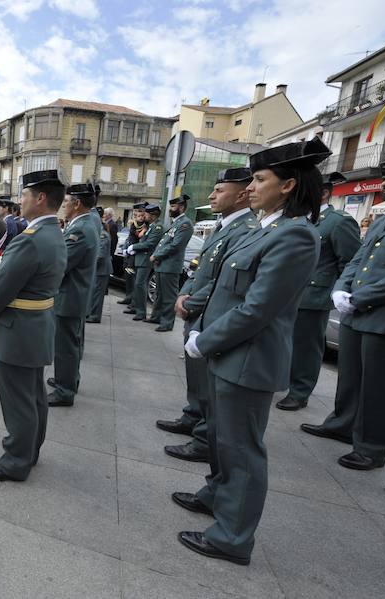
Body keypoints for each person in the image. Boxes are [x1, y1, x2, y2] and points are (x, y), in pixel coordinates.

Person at [175, 138, 324, 566]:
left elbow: (257, 308)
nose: (251, 187)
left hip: (249, 358)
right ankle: (216, 496)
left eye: (260, 180)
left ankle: (232, 537)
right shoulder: (265, 229)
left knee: (242, 450)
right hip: (229, 355)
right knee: (222, 440)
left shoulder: (295, 235)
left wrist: (206, 339)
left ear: (289, 185)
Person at [158, 168, 258, 463]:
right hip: (197, 309)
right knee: (197, 377)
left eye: (220, 190)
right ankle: (194, 416)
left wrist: (192, 302)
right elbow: (200, 268)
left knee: (207, 380)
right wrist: (183, 293)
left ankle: (204, 439)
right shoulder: (224, 225)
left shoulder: (245, 230)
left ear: (241, 194)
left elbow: (224, 280)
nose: (212, 196)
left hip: (210, 312)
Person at [301, 157, 385, 473]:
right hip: (357, 312)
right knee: (350, 376)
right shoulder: (384, 221)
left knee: (378, 386)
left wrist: (359, 297)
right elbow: (357, 261)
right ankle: (342, 424)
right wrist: (341, 288)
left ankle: (372, 447)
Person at [0, 169, 68, 482]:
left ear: (40, 199)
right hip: (37, 325)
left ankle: (15, 460)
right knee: (33, 395)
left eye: (25, 195)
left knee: (18, 399)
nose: (21, 200)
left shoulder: (30, 241)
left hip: (18, 329)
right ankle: (31, 449)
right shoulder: (53, 233)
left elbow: (1, 285)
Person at [276, 172, 360, 411]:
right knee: (285, 341)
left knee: (306, 347)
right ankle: (284, 381)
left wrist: (336, 293)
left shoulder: (338, 221)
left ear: (323, 193)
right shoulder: (296, 219)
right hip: (288, 293)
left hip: (314, 296)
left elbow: (350, 262)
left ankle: (300, 391)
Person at [48, 181, 101, 408]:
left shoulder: (81, 228)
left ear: (77, 204)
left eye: (67, 202)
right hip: (76, 293)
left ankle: (64, 389)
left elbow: (63, 263)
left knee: (65, 345)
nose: (64, 206)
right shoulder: (87, 222)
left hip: (69, 295)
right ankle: (68, 379)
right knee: (71, 342)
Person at [148, 194, 194, 331]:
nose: (171, 209)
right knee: (159, 294)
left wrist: (157, 255)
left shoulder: (185, 224)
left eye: (174, 206)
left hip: (170, 265)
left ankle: (167, 323)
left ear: (181, 207)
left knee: (169, 296)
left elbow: (176, 245)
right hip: (162, 264)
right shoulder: (176, 223)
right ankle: (156, 317)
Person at [124, 204, 164, 321]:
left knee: (140, 285)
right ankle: (137, 308)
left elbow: (149, 243)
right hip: (140, 259)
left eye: (146, 214)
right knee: (137, 285)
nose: (144, 215)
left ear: (152, 216)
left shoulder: (157, 228)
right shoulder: (150, 226)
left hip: (146, 260)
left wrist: (133, 247)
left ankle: (141, 312)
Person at [117, 202, 147, 306]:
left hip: (136, 253)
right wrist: (125, 248)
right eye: (135, 213)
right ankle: (128, 296)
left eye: (139, 213)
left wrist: (133, 248)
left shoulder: (144, 225)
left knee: (133, 277)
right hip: (129, 252)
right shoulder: (134, 223)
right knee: (128, 276)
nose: (136, 215)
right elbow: (129, 237)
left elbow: (141, 238)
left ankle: (133, 300)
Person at [87, 205, 112, 324]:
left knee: (97, 294)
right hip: (98, 269)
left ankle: (95, 315)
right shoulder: (99, 232)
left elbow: (100, 255)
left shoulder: (102, 234)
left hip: (101, 269)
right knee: (94, 292)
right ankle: (91, 313)